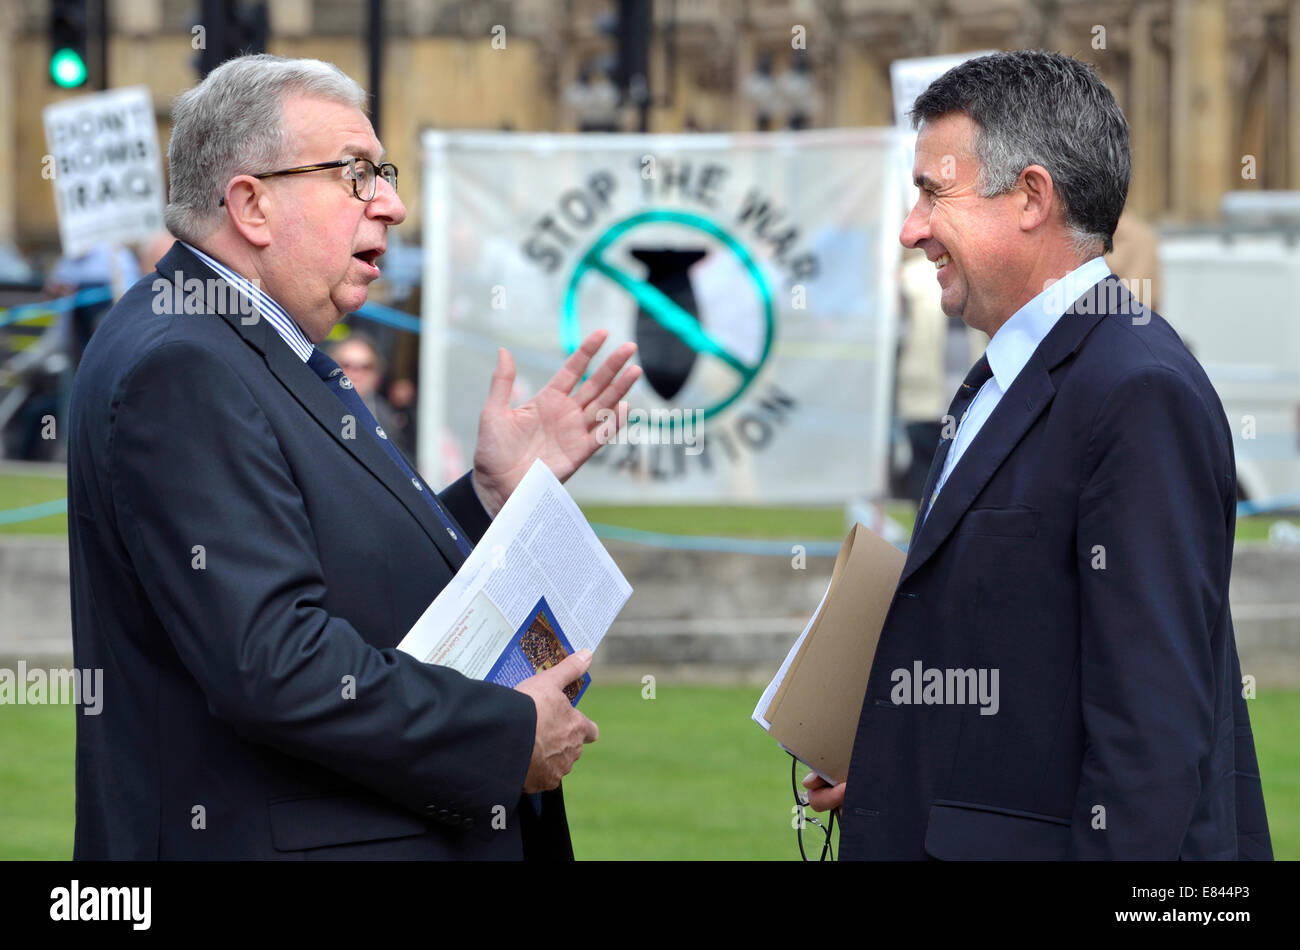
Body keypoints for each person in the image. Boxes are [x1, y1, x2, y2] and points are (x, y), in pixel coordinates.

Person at [67, 54, 640, 860]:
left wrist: (485, 496)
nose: (395, 206)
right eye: (358, 175)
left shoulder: (245, 341)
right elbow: (273, 661)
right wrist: (506, 736)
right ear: (251, 204)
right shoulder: (185, 361)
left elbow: (326, 568)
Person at [804, 51, 1271, 860]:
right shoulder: (1006, 376)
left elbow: (1150, 747)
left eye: (931, 194)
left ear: (1030, 197)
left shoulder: (1135, 389)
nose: (912, 229)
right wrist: (897, 773)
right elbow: (1022, 671)